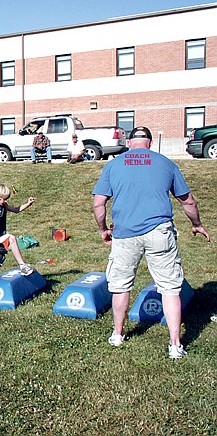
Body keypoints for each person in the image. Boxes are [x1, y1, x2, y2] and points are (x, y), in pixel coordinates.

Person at [92, 126, 210, 360]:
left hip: (125, 234)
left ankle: (117, 334)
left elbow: (99, 203)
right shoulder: (165, 163)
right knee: (170, 287)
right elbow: (187, 201)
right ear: (150, 142)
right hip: (160, 232)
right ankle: (175, 345)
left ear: (129, 142)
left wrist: (104, 230)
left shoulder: (113, 165)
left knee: (121, 285)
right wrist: (196, 223)